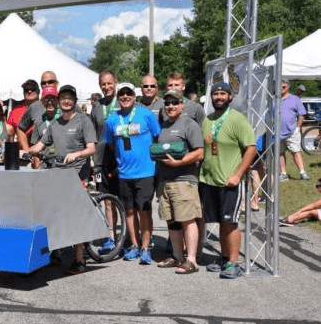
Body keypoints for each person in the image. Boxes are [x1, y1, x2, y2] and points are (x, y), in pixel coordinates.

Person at [22, 85, 97, 274]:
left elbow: (91, 148)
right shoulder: (54, 124)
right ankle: (53, 252)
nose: (65, 101)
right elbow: (40, 144)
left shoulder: (83, 121)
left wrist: (77, 154)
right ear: (58, 101)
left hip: (78, 171)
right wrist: (26, 152)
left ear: (74, 101)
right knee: (50, 212)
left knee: (75, 214)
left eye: (69, 98)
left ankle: (80, 260)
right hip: (59, 172)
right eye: (62, 98)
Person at [199, 82, 256, 279]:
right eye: (215, 94)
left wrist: (238, 174)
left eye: (223, 93)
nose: (219, 97)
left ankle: (234, 262)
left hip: (229, 181)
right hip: (210, 180)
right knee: (221, 222)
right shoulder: (208, 119)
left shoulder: (238, 119)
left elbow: (251, 148)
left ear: (230, 97)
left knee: (230, 222)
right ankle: (224, 258)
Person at [104, 83, 161, 264]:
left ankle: (146, 248)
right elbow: (111, 144)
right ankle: (134, 245)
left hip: (146, 171)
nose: (126, 96)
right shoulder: (112, 119)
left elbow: (156, 137)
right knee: (129, 211)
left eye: (129, 93)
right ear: (118, 97)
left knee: (144, 211)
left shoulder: (146, 114)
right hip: (124, 173)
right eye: (122, 94)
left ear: (134, 96)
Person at [155, 90, 204, 274]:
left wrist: (179, 162)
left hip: (184, 180)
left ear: (182, 104)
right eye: (167, 103)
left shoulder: (189, 124)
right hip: (166, 181)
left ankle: (191, 260)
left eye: (174, 102)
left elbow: (199, 152)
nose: (170, 106)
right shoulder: (164, 125)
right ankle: (177, 257)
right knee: (172, 221)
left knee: (187, 220)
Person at [90, 71, 121, 254]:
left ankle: (130, 238)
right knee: (107, 200)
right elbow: (92, 134)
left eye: (110, 83)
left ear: (115, 82)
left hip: (121, 158)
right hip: (102, 158)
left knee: (125, 200)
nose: (107, 86)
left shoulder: (123, 100)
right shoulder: (97, 106)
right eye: (103, 84)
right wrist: (92, 159)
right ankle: (111, 237)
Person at [279, 80, 310, 181]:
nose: (281, 89)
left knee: (296, 152)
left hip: (292, 131)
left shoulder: (295, 99)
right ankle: (283, 173)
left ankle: (302, 172)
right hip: (277, 132)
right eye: (279, 87)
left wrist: (298, 128)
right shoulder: (274, 99)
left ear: (288, 87)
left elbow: (301, 114)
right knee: (280, 153)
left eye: (283, 87)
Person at [30, 86, 59, 169]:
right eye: (46, 99)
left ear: (57, 100)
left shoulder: (64, 118)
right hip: (44, 165)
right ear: (42, 102)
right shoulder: (38, 122)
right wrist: (38, 171)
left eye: (53, 98)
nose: (50, 102)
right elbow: (35, 151)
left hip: (62, 165)